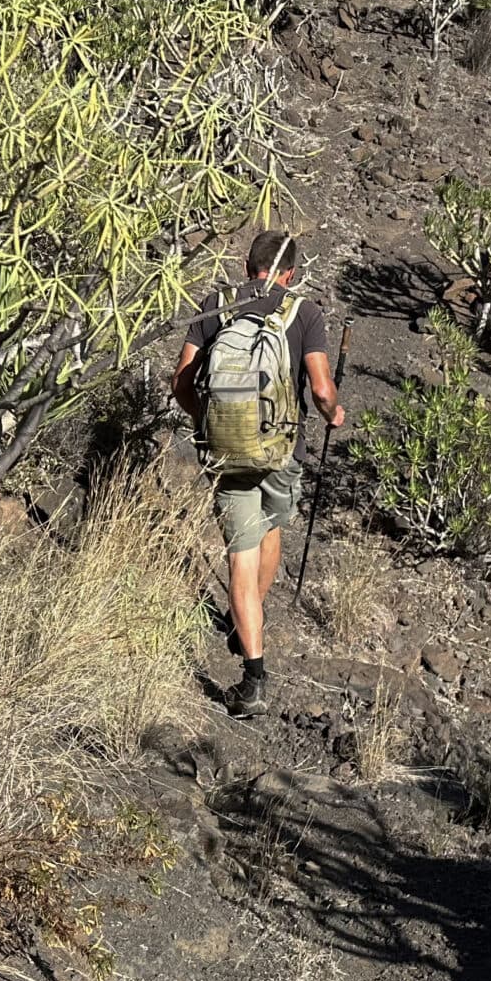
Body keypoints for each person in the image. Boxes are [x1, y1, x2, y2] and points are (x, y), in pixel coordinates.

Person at [173, 231, 344, 717]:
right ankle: (250, 631)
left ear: (248, 265)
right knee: (271, 530)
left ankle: (252, 673)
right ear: (288, 273)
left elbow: (181, 381)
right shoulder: (303, 312)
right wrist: (332, 412)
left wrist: (208, 426)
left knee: (240, 557)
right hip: (283, 451)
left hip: (226, 452)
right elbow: (320, 388)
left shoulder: (215, 305)